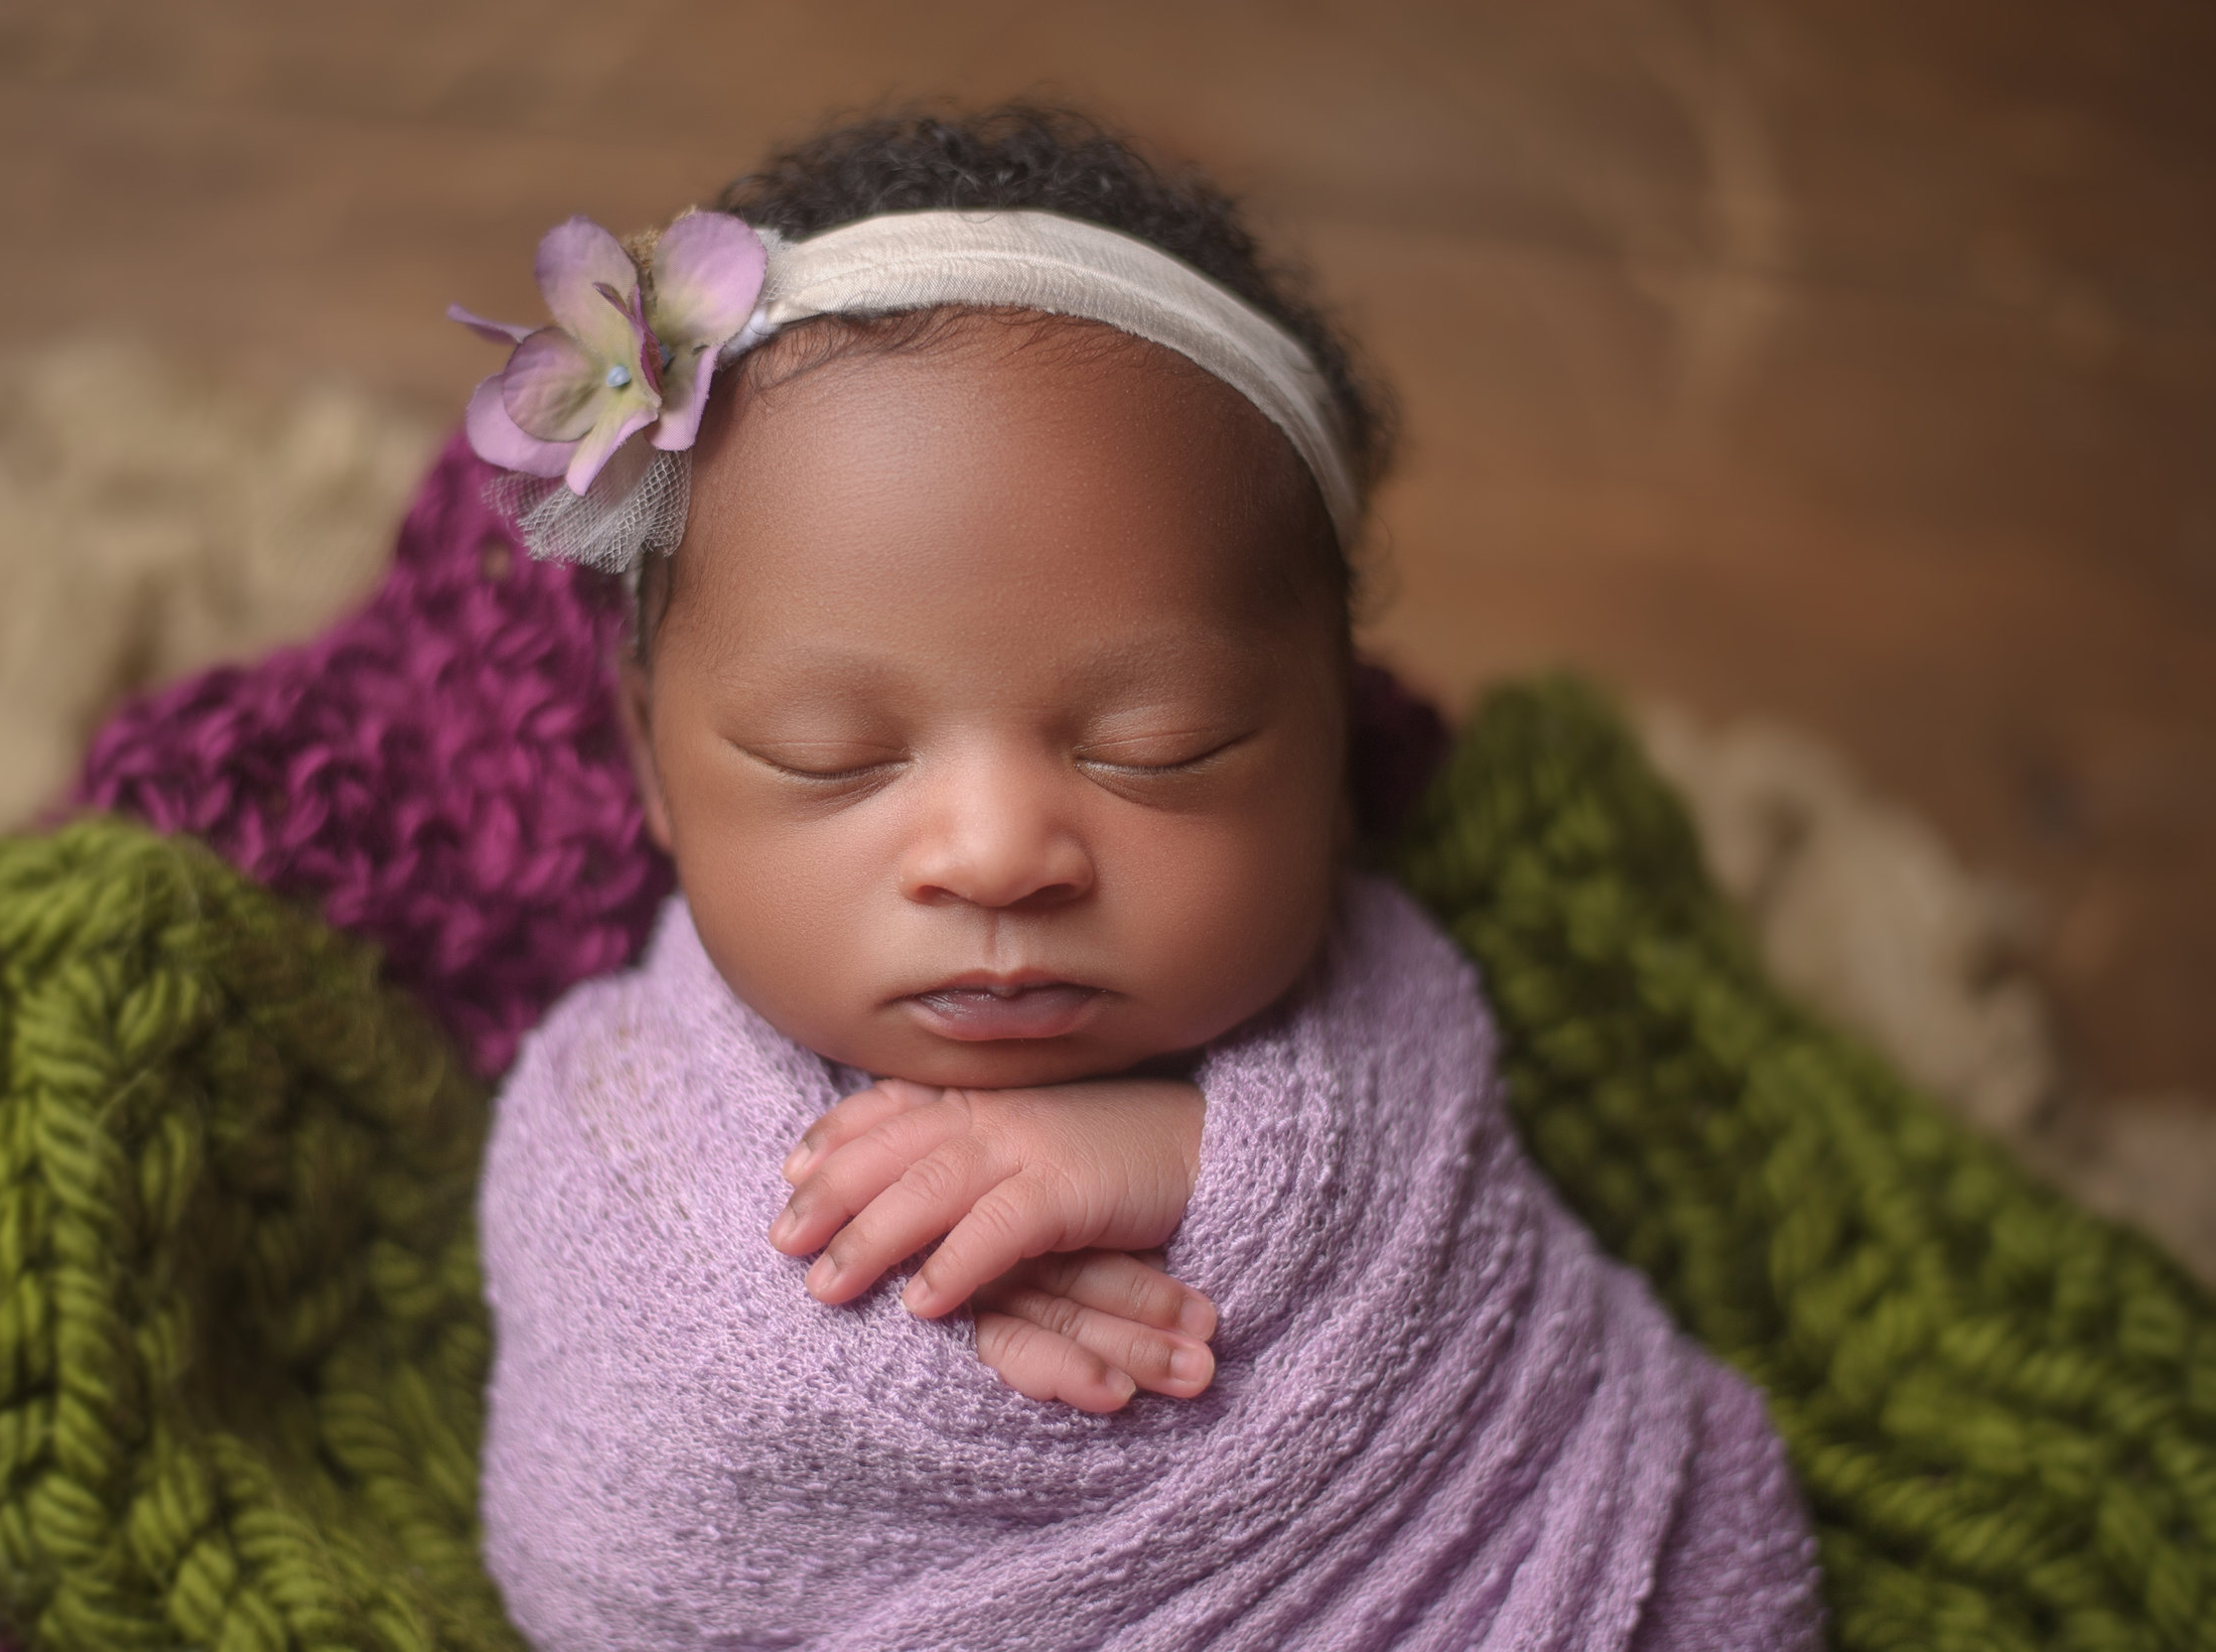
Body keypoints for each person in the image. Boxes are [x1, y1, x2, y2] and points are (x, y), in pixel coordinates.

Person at [465, 105, 1823, 1650]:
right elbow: (602, 1520)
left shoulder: (1391, 1008)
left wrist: (1198, 1167)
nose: (995, 855)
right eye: (830, 754)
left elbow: (1502, 1298)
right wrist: (911, 1322)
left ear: (1328, 754)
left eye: (1158, 748)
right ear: (652, 766)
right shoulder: (616, 1110)